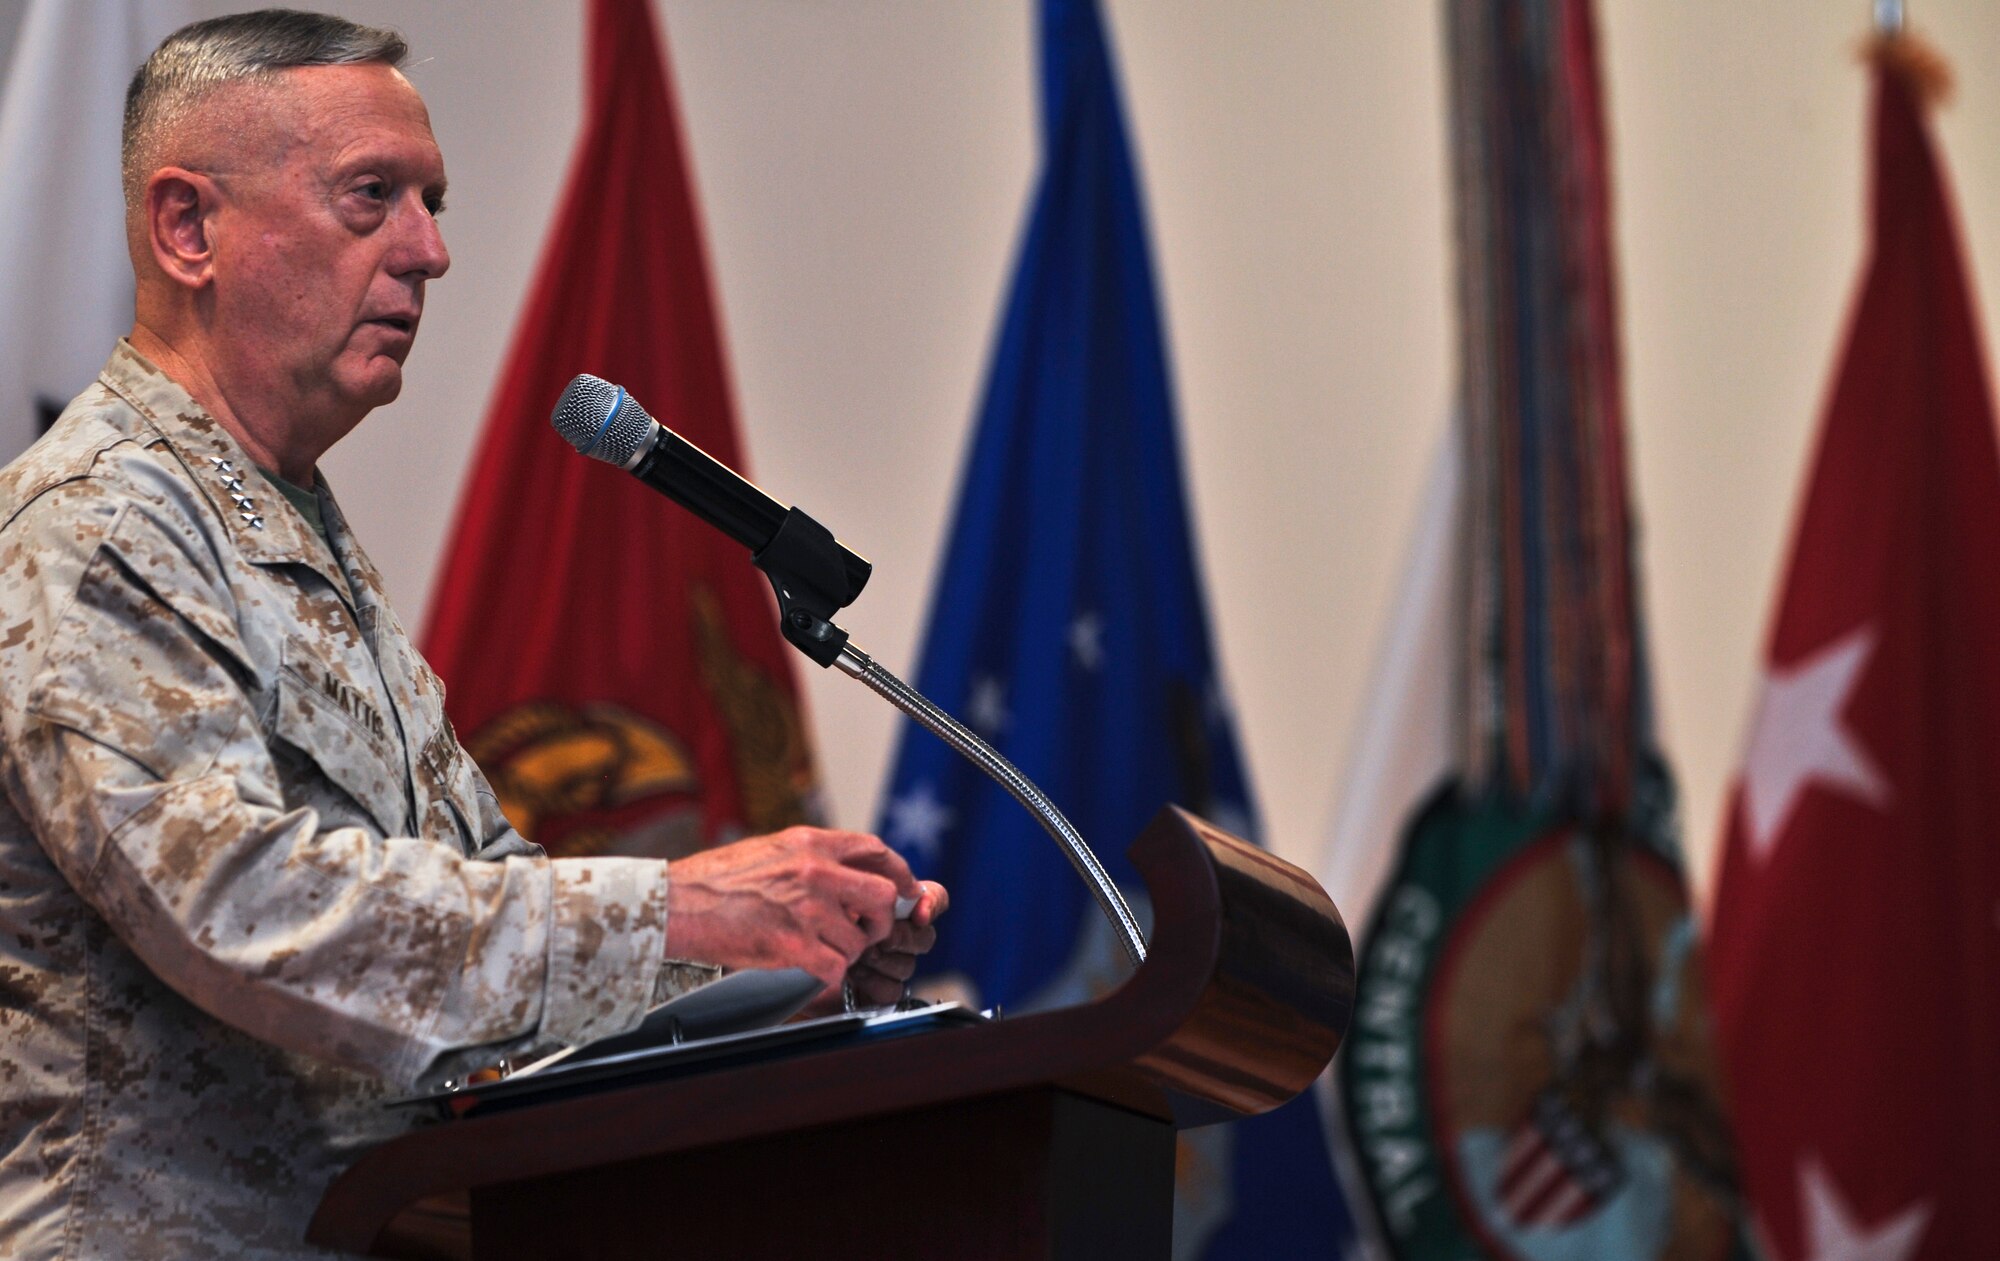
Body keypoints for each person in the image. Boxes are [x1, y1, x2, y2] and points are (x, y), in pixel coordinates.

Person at [0, 11, 945, 1258]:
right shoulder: (100, 524)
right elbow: (240, 907)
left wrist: (775, 962)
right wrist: (678, 907)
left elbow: (485, 926)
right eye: (372, 197)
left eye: (431, 201)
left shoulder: (298, 533)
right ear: (189, 229)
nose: (429, 251)